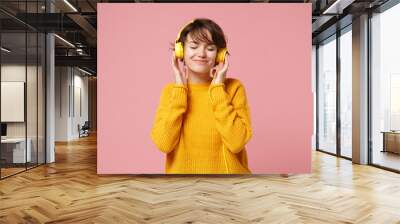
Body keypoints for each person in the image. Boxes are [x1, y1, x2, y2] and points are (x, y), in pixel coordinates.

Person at [150, 18, 253, 174]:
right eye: (194, 46)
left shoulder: (233, 88)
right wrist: (180, 89)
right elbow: (164, 144)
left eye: (210, 48)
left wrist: (218, 89)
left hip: (230, 187)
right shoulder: (171, 91)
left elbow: (236, 143)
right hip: (183, 188)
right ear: (181, 51)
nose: (202, 54)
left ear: (220, 55)